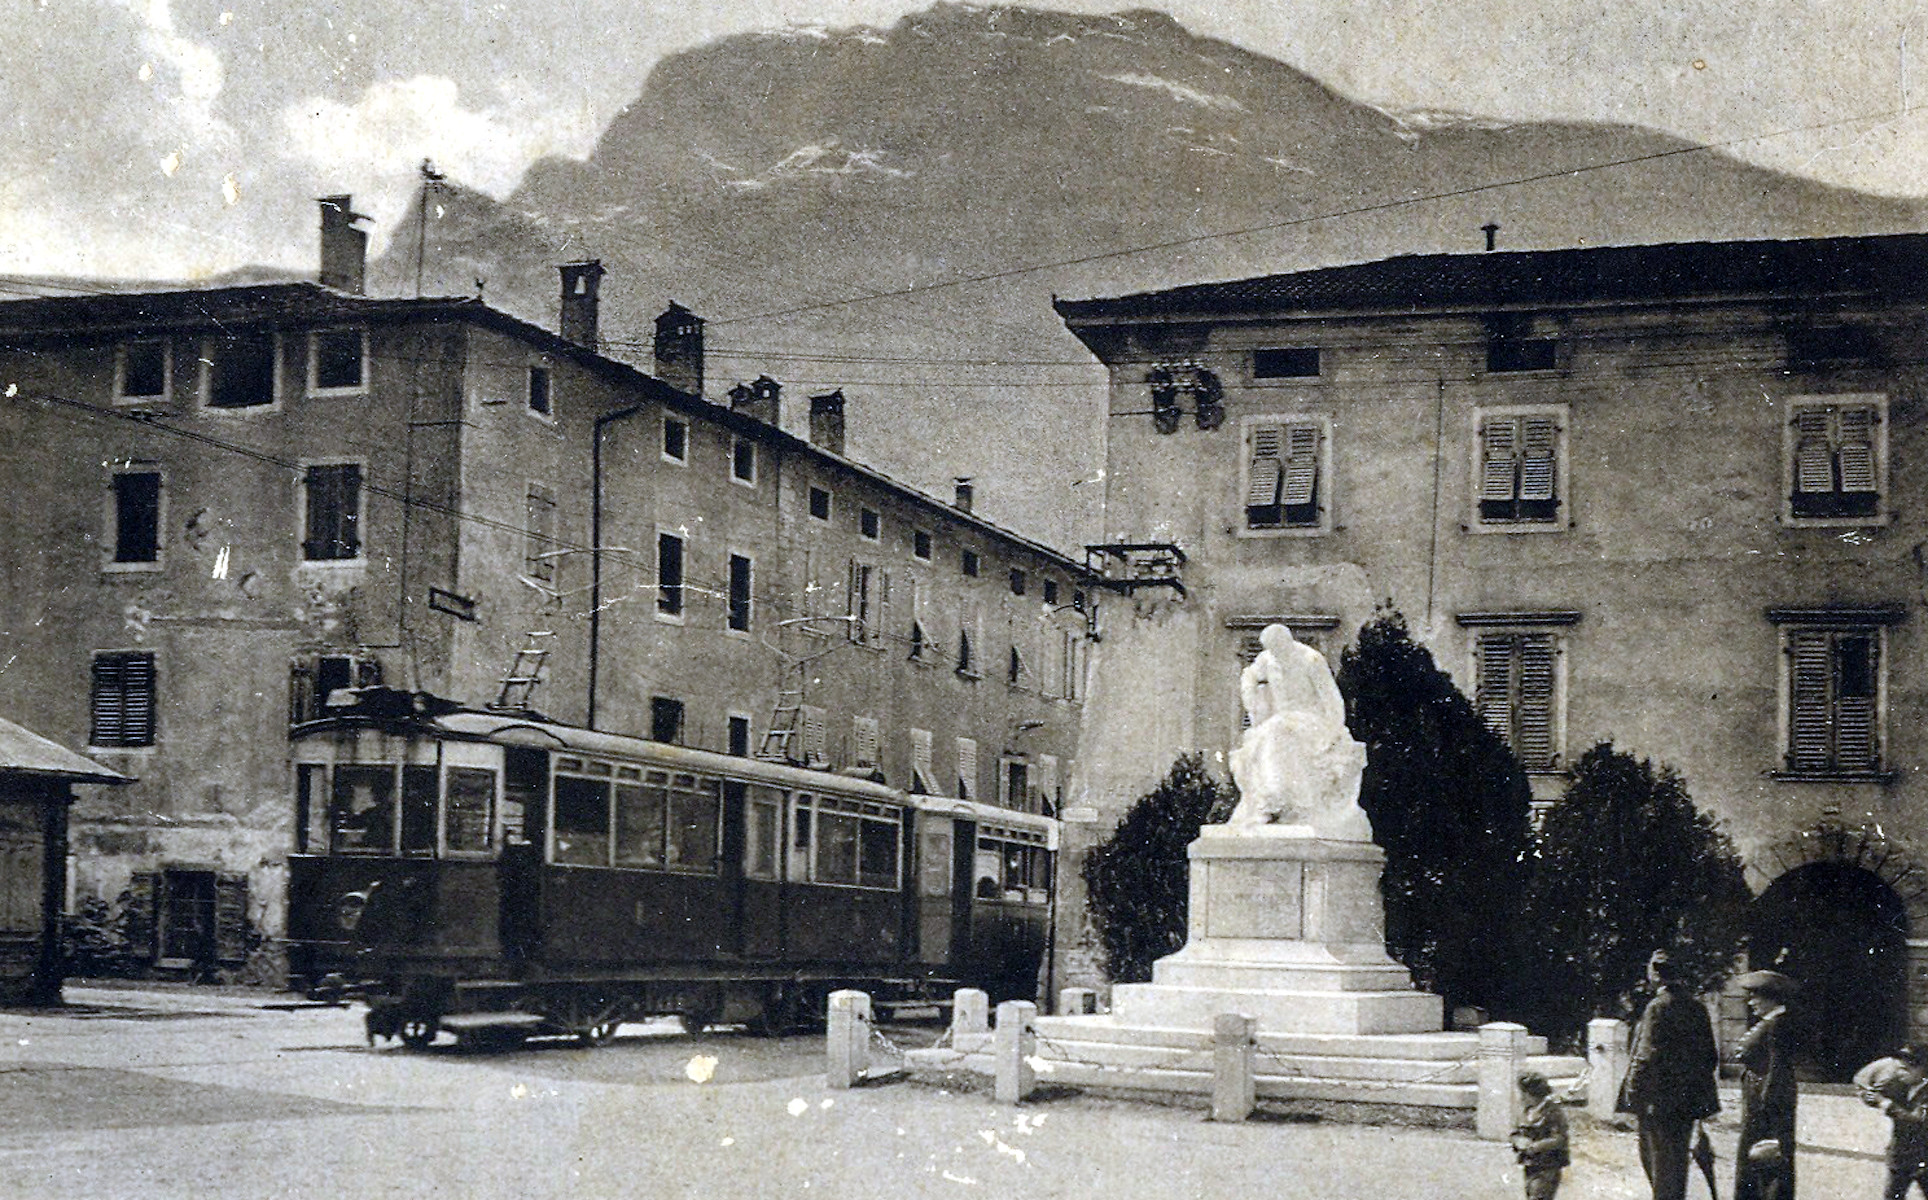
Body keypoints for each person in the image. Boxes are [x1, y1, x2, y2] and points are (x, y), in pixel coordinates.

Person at [1618, 950, 1722, 1200]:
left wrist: (1632, 1096)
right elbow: (1710, 1056)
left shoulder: (1657, 1007)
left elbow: (1645, 1056)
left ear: (1654, 974)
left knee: (1659, 1167)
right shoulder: (1697, 1007)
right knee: (1676, 1167)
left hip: (1657, 1102)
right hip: (1686, 1103)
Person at [1733, 970, 1800, 1200]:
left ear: (1772, 998)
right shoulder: (1771, 1023)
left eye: (1755, 997)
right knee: (1758, 1163)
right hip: (1759, 1103)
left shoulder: (1777, 1025)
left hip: (1766, 1107)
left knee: (1767, 1162)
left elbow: (1776, 1068)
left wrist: (1767, 1107)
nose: (1751, 1002)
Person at [1855, 1043, 1928, 1200]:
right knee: (1892, 1197)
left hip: (1924, 1158)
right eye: (1899, 1068)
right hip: (1900, 1156)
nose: (1900, 1073)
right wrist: (1872, 1097)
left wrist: (1885, 1103)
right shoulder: (1901, 1086)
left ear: (1924, 1070)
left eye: (1906, 1069)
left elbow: (1918, 1118)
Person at [1512, 1070, 1571, 1199]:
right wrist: (1518, 1141)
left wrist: (1536, 1146)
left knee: (1539, 1196)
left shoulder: (1553, 1111)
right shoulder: (1527, 1111)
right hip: (1530, 1163)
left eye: (1523, 1094)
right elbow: (1515, 1132)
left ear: (1532, 1094)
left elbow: (1559, 1138)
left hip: (1548, 1164)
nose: (1521, 1097)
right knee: (1531, 1193)